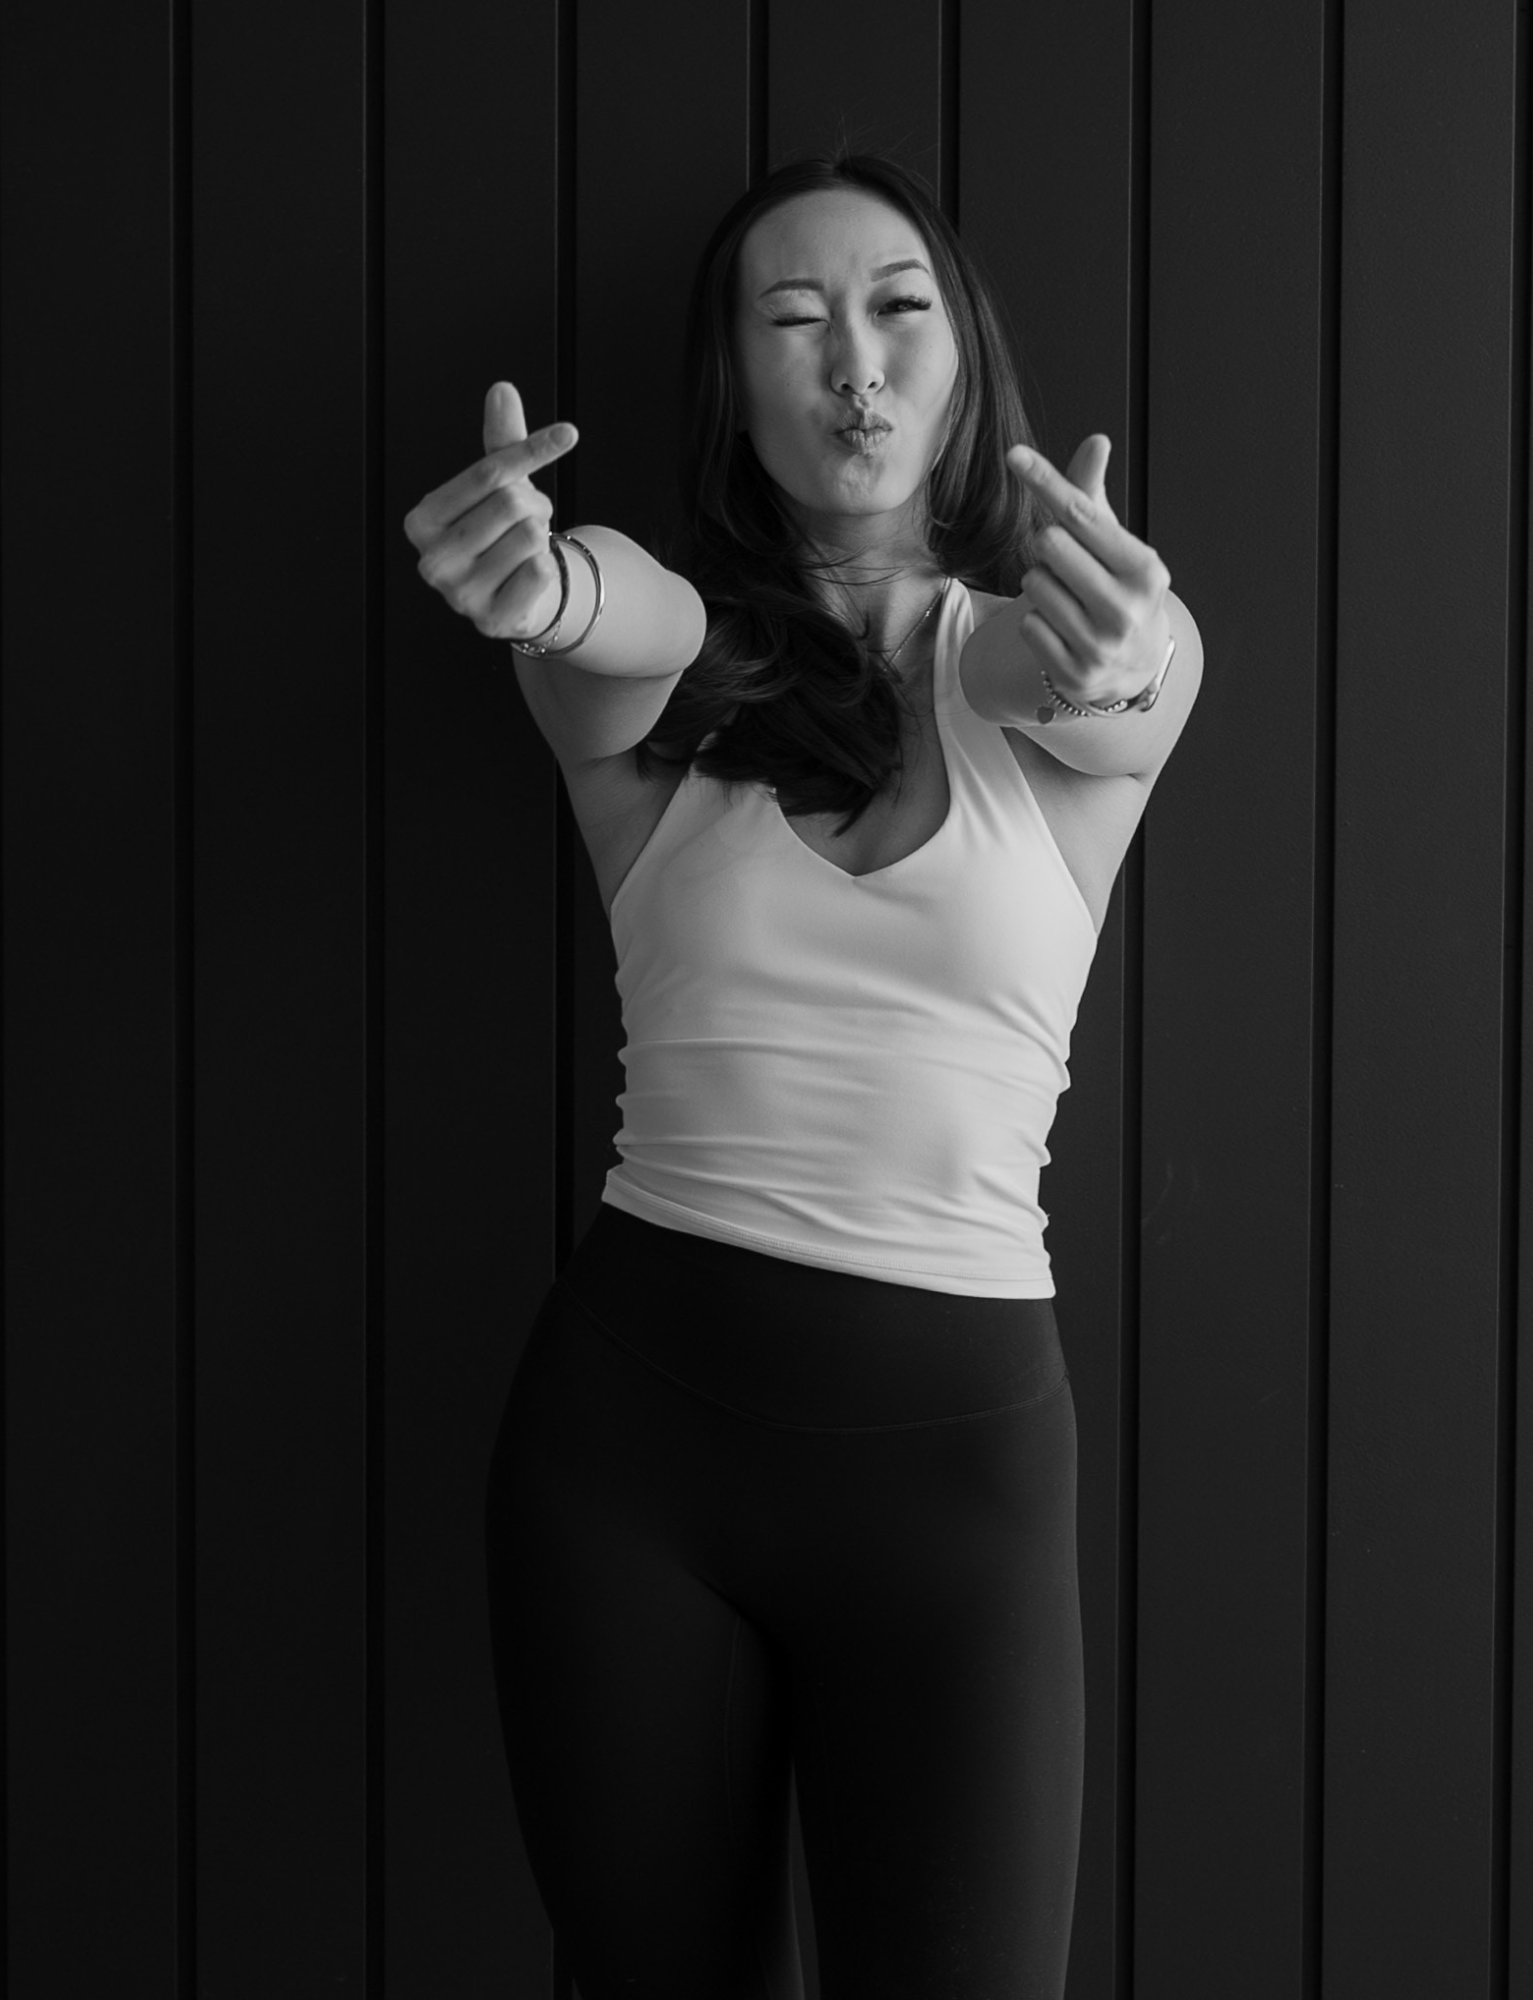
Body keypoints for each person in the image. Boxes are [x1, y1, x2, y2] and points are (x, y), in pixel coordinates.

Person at [404, 151, 1201, 2000]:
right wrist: (539, 589)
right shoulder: (668, 680)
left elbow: (1099, 671)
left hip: (959, 1480)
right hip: (630, 1460)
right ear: (736, 386)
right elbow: (621, 619)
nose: (853, 356)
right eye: (793, 317)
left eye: (896, 308)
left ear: (958, 363)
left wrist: (1130, 634)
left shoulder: (1051, 674)